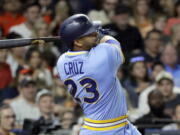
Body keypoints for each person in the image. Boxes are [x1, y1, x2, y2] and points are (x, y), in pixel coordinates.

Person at [57, 14, 141, 135]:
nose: (95, 34)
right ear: (78, 42)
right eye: (90, 34)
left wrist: (91, 39)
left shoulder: (61, 61)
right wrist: (103, 36)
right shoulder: (102, 56)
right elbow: (115, 46)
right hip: (107, 129)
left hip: (102, 126)